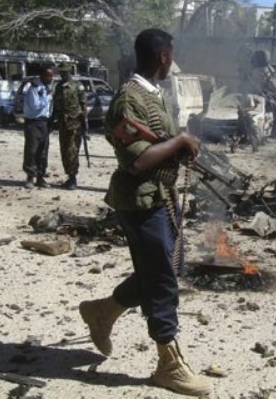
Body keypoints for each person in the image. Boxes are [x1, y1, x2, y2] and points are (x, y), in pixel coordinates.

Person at [78, 28, 212, 397]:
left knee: (167, 268)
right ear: (163, 56)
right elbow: (136, 161)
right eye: (171, 55)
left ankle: (103, 311)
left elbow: (158, 143)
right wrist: (180, 141)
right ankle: (169, 364)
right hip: (140, 201)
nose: (172, 61)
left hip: (161, 197)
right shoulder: (129, 99)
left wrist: (178, 147)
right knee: (162, 280)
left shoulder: (151, 94)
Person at [51, 62, 86, 190]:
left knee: (72, 151)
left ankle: (73, 178)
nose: (62, 74)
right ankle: (69, 175)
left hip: (75, 124)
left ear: (69, 71)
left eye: (64, 72)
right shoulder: (59, 86)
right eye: (61, 72)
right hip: (62, 123)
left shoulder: (77, 85)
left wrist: (84, 122)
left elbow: (84, 105)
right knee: (64, 151)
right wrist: (53, 120)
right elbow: (56, 105)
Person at [22, 65, 54, 189]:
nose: (50, 78)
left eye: (51, 76)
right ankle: (30, 177)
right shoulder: (34, 88)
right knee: (32, 150)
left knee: (43, 151)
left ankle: (40, 177)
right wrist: (48, 97)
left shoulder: (47, 88)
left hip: (44, 122)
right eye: (48, 76)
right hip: (33, 122)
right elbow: (35, 105)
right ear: (42, 76)